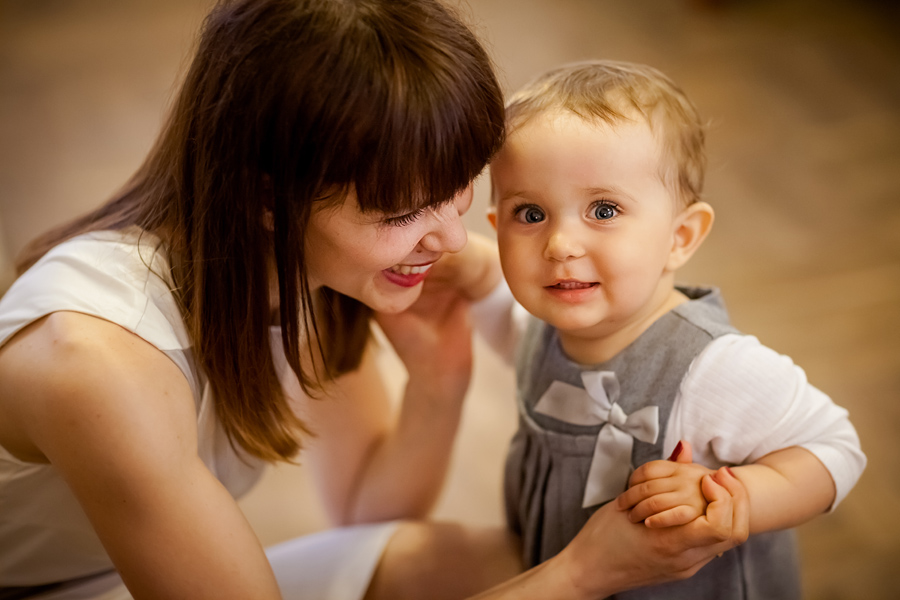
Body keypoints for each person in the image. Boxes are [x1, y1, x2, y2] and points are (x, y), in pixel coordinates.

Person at [0, 3, 749, 599]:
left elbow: (368, 515)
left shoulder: (299, 264)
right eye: (401, 215)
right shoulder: (96, 363)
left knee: (517, 555)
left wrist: (438, 380)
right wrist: (586, 573)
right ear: (271, 197)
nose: (452, 242)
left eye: (457, 193)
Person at [457, 59, 867, 598]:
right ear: (496, 229)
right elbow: (501, 318)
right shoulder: (543, 328)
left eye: (603, 210)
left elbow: (836, 448)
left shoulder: (713, 366)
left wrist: (733, 494)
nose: (559, 245)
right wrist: (462, 267)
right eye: (530, 214)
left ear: (680, 236)